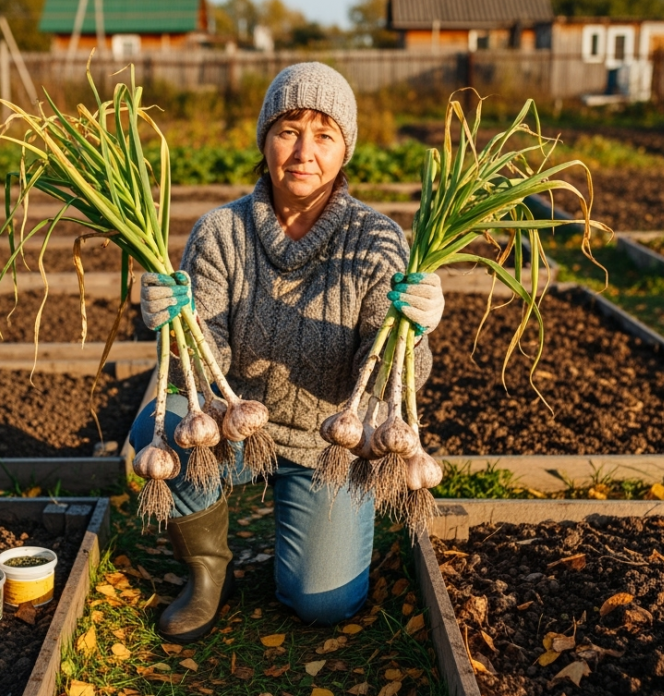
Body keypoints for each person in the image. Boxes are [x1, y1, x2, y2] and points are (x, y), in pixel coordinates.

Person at [127, 62, 445, 643]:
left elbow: (389, 387)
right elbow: (199, 369)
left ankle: (301, 535)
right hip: (237, 426)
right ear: (265, 141)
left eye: (324, 134)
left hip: (331, 441)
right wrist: (171, 326)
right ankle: (207, 573)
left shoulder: (377, 241)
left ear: (345, 150)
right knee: (164, 423)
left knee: (323, 603)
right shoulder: (221, 232)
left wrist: (413, 333)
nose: (304, 151)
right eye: (288, 129)